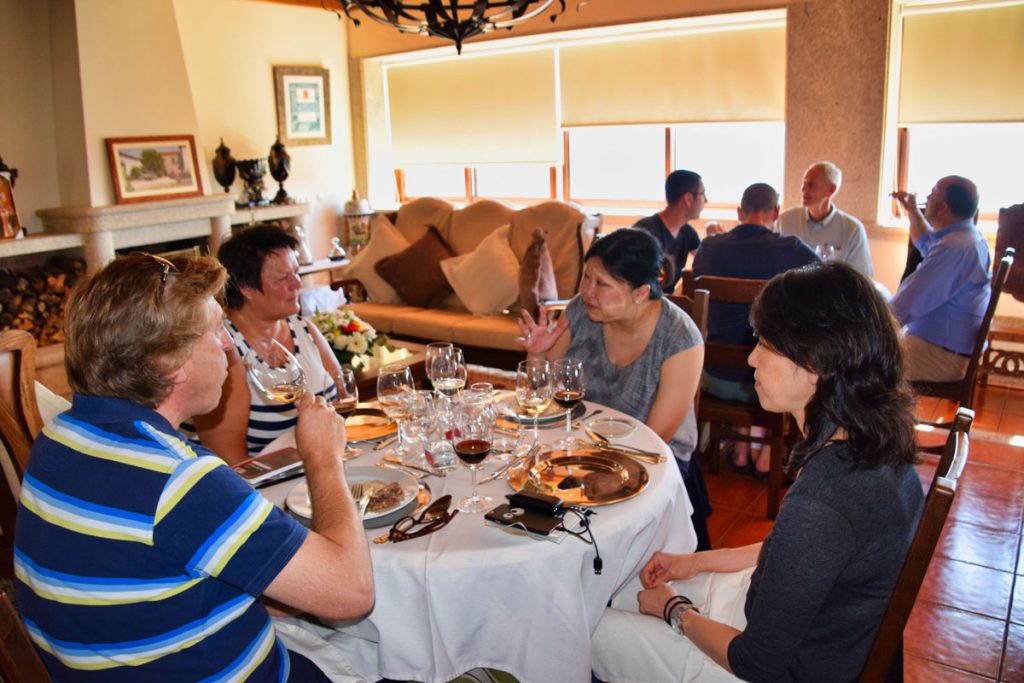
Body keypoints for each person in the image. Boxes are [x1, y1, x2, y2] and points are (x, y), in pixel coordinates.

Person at [13, 253, 374, 680]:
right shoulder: (180, 480)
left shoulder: (59, 435)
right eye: (217, 329)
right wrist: (324, 459)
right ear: (170, 362)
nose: (228, 344)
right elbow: (351, 592)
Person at [591, 261, 924, 683]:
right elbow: (799, 553)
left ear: (815, 361)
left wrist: (674, 609)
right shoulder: (875, 442)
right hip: (819, 634)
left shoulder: (825, 500)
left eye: (766, 343)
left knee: (589, 628)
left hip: (782, 668)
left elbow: (757, 663)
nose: (751, 357)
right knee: (616, 590)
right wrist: (695, 563)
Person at [516, 228, 711, 549]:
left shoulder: (678, 337)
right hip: (581, 449)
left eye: (602, 284)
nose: (587, 291)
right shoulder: (581, 310)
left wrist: (581, 463)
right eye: (586, 278)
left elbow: (657, 435)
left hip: (652, 461)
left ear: (641, 292)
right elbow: (543, 396)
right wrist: (537, 353)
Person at [692, 183, 819, 475]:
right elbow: (825, 290)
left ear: (739, 212)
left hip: (712, 376)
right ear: (776, 212)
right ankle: (767, 452)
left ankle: (741, 447)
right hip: (765, 379)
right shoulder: (793, 250)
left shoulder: (709, 246)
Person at [194, 224, 343, 464]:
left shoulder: (304, 328)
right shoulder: (226, 352)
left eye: (296, 272)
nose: (297, 283)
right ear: (246, 289)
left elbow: (344, 401)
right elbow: (231, 462)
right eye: (284, 278)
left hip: (328, 465)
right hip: (273, 489)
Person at [892, 175, 990, 382]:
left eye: (932, 192)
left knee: (857, 363)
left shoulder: (955, 248)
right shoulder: (966, 236)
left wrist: (868, 328)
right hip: (941, 346)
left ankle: (880, 415)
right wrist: (912, 210)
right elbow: (926, 242)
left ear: (943, 208)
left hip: (941, 356)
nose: (927, 197)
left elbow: (907, 304)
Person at [777, 161, 874, 277]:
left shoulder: (852, 229)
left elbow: (862, 277)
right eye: (803, 183)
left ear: (831, 190)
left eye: (811, 185)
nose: (803, 189)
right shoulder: (785, 221)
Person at [633, 169, 705, 293]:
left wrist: (714, 239)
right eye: (703, 194)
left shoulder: (688, 233)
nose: (706, 200)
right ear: (688, 199)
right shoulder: (646, 232)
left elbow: (706, 261)